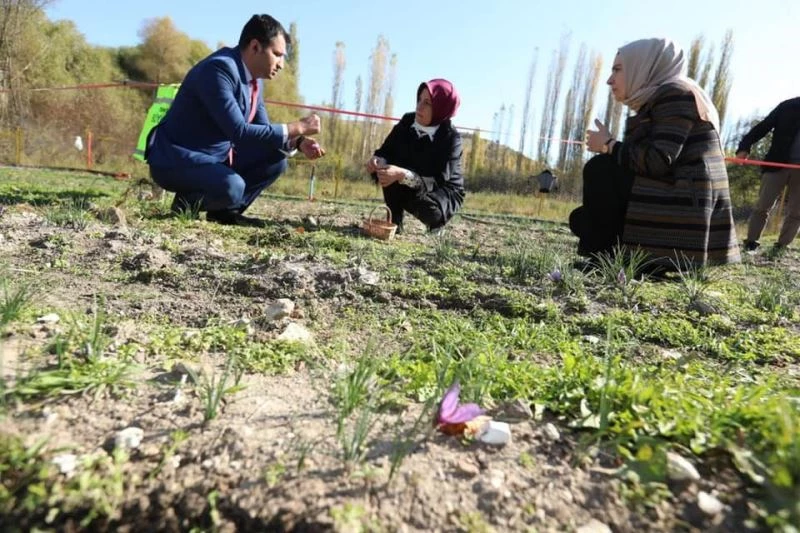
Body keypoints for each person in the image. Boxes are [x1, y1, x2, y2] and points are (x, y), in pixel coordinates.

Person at [569, 38, 740, 268]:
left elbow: (658, 161)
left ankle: (606, 259)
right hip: (682, 200)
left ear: (644, 67)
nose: (610, 80)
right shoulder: (664, 96)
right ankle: (632, 256)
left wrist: (609, 145)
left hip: (685, 205)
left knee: (600, 169)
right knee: (581, 219)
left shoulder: (674, 94)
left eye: (618, 69)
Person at [145, 14, 325, 226]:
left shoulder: (254, 80)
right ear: (255, 46)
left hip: (214, 159)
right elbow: (239, 132)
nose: (282, 64)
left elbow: (262, 130)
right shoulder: (218, 70)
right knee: (233, 186)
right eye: (277, 54)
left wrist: (298, 141)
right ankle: (186, 203)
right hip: (176, 158)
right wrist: (299, 126)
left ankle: (225, 212)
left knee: (276, 160)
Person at [366, 79, 465, 234]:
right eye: (419, 99)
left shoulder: (451, 138)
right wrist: (379, 160)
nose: (419, 106)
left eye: (427, 103)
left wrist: (403, 174)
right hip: (410, 178)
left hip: (441, 191)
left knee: (432, 212)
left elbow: (439, 179)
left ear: (441, 108)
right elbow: (386, 150)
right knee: (388, 172)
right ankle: (394, 222)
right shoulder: (407, 121)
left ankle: (436, 225)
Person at [736, 97, 800, 254]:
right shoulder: (788, 106)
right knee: (762, 206)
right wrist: (744, 147)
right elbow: (763, 127)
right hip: (776, 163)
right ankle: (751, 243)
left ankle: (781, 247)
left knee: (797, 212)